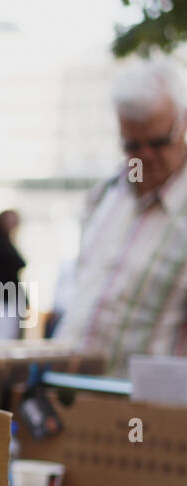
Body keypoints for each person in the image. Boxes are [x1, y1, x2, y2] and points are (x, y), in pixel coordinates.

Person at [57, 59, 187, 374]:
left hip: (147, 414)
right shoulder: (104, 195)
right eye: (132, 145)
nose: (145, 156)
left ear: (183, 123)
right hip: (71, 395)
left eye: (158, 142)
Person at [0, 209, 27, 339]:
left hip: (9, 300)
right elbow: (18, 263)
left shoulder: (5, 242)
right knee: (2, 340)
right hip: (3, 300)